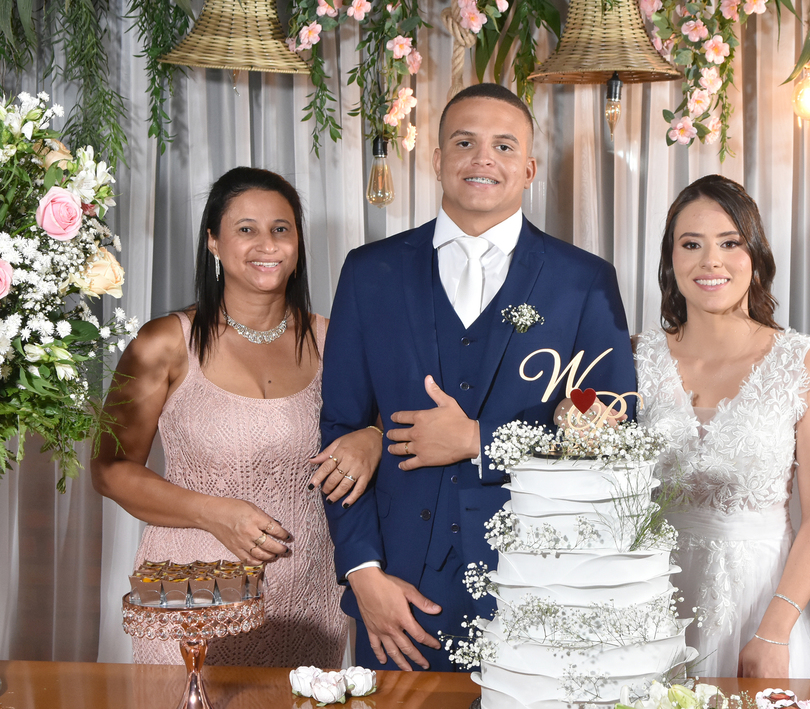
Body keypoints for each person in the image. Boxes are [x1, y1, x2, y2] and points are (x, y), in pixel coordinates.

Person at [320, 83, 637, 672]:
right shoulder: (370, 272)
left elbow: (615, 431)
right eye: (464, 142)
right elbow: (340, 430)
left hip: (537, 586)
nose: (483, 158)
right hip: (399, 596)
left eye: (504, 145)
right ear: (437, 160)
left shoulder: (584, 281)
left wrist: (479, 442)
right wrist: (363, 574)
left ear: (530, 168)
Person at [93, 167, 381, 668]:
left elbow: (379, 431)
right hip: (193, 594)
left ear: (298, 244)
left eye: (281, 229)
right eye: (245, 229)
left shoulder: (338, 340)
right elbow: (110, 470)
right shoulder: (164, 342)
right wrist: (217, 515)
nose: (266, 244)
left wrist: (374, 436)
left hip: (308, 602)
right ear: (213, 242)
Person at [635, 175, 810, 678]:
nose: (711, 261)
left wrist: (774, 631)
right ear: (671, 259)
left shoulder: (800, 363)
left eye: (730, 243)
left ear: (754, 255)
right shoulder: (634, 358)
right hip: (650, 604)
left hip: (761, 604)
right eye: (692, 245)